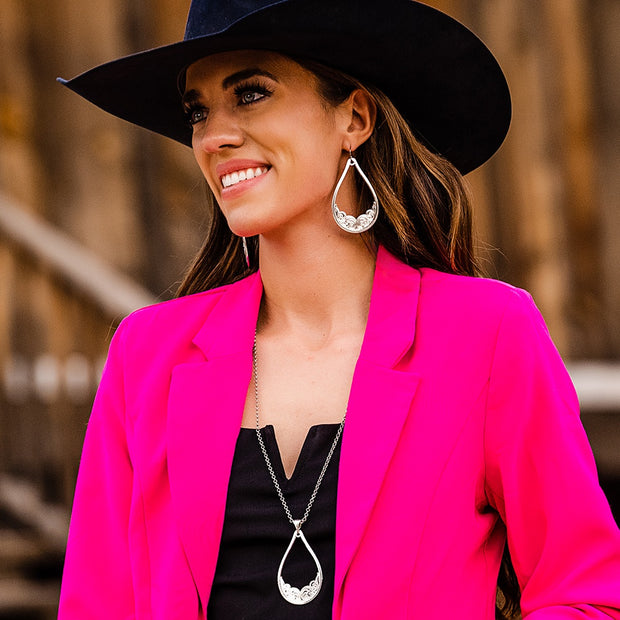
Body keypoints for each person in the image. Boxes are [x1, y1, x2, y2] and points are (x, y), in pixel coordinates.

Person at [57, 0, 620, 618]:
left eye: (250, 94)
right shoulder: (146, 354)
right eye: (198, 112)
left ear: (354, 117)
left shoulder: (487, 333)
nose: (213, 137)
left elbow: (586, 595)